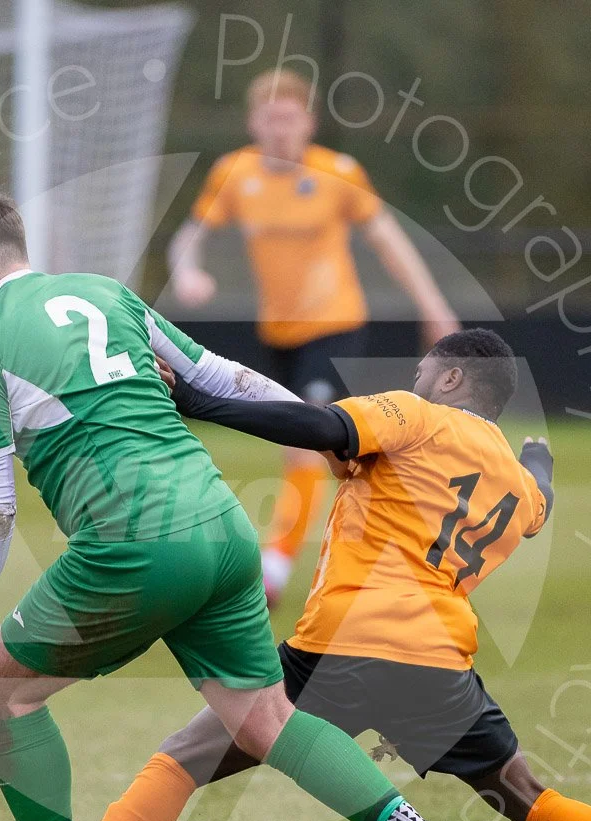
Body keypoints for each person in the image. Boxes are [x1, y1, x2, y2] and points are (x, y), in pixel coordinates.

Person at [0, 181, 488, 821]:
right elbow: (225, 378)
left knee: (4, 694)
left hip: (132, 541)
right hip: (222, 530)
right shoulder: (104, 294)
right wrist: (327, 436)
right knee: (264, 720)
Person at [79, 329, 591, 821]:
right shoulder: (515, 483)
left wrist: (197, 403)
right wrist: (539, 458)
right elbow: (541, 503)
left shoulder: (417, 418)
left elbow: (316, 423)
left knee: (184, 757)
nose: (411, 383)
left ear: (453, 380)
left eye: (421, 373)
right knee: (529, 795)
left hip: (342, 642)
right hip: (438, 662)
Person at [170, 68, 460, 605]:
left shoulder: (339, 172)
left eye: (290, 117)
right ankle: (402, 523)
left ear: (309, 121)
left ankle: (274, 571)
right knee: (320, 453)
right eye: (269, 118)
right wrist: (187, 270)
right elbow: (189, 235)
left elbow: (388, 240)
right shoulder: (234, 173)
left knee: (305, 444)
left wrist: (433, 306)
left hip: (335, 326)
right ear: (253, 122)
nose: (280, 128)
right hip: (276, 332)